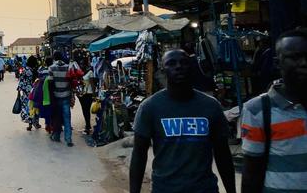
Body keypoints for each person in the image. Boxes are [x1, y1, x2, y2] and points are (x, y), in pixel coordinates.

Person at [129, 49, 235, 193]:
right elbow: (139, 155)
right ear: (162, 69)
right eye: (171, 63)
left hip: (204, 189)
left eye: (184, 63)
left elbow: (223, 154)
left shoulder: (211, 106)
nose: (178, 67)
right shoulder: (150, 107)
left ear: (191, 67)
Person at [241, 27, 307, 193]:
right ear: (278, 63)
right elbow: (251, 173)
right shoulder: (257, 110)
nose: (304, 63)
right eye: (295, 57)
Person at [49, 52, 74, 146]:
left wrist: (52, 98)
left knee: (57, 118)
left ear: (54, 58)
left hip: (56, 96)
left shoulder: (51, 68)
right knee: (67, 118)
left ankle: (57, 136)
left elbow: (51, 84)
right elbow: (71, 82)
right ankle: (69, 139)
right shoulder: (68, 67)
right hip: (66, 95)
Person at [17, 55, 39, 130]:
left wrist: (19, 90)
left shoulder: (25, 69)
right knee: (35, 106)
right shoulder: (36, 70)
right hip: (35, 91)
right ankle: (36, 123)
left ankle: (30, 124)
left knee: (28, 107)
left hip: (26, 92)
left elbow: (21, 80)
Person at [79, 65, 96, 135]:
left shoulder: (90, 72)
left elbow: (92, 84)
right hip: (82, 94)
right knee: (84, 110)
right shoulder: (80, 73)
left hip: (89, 93)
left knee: (87, 110)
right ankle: (87, 125)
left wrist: (94, 94)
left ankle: (88, 125)